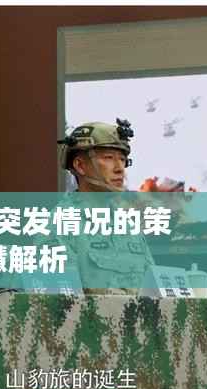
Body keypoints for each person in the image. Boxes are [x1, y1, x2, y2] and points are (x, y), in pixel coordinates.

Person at [55, 118, 155, 293]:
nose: (119, 168)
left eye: (123, 160)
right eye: (109, 158)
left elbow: (154, 288)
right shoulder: (60, 225)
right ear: (80, 165)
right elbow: (62, 300)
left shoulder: (128, 226)